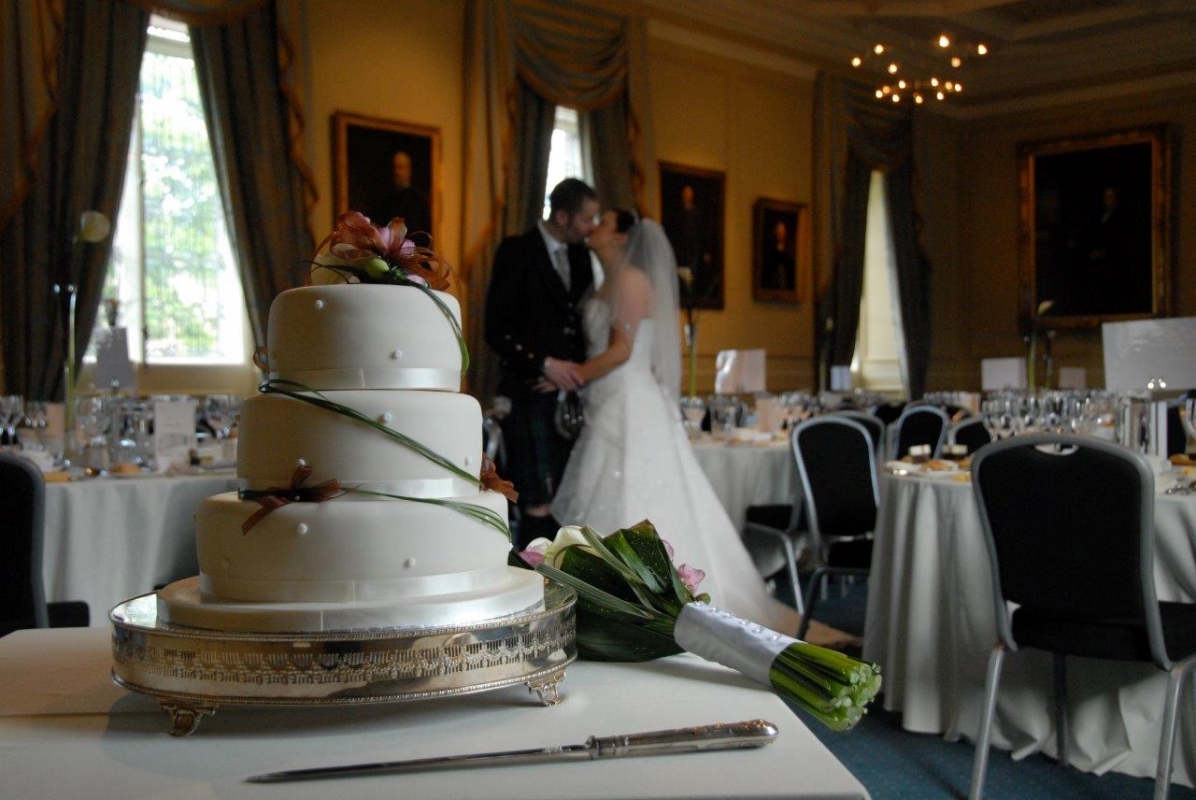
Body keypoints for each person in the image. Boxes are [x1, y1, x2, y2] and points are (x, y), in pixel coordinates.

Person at [550, 209, 793, 632]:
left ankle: (649, 601)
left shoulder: (629, 282)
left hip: (628, 398)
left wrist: (573, 375)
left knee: (638, 489)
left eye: (604, 222)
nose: (594, 227)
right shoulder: (606, 280)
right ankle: (607, 598)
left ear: (623, 237)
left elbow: (623, 350)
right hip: (609, 398)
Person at [484, 178, 599, 548]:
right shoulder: (517, 251)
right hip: (528, 393)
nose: (591, 228)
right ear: (562, 215)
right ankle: (536, 586)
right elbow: (495, 329)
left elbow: (582, 328)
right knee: (536, 499)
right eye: (586, 219)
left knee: (568, 501)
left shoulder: (582, 257)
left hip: (571, 398)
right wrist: (544, 366)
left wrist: (572, 372)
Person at [369, 151, 431, 238]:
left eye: (400, 167)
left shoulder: (417, 200)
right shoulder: (386, 199)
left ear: (408, 170)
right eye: (394, 167)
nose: (396, 172)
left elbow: (419, 232)